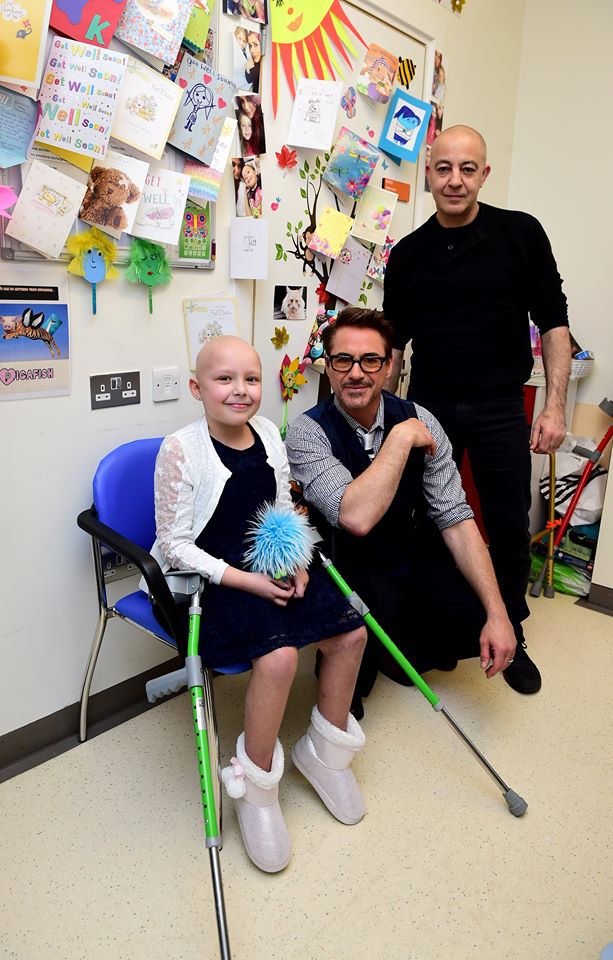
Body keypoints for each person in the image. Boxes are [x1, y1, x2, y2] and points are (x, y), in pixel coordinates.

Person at [147, 336, 367, 874]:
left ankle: (325, 752)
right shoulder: (180, 449)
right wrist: (247, 582)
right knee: (280, 658)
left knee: (351, 633)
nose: (240, 390)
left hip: (269, 557)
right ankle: (256, 783)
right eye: (224, 379)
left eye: (250, 378)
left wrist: (295, 555)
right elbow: (174, 544)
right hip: (211, 579)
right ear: (198, 388)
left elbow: (282, 502)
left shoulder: (270, 432)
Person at [383, 124, 571, 695]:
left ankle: (508, 630)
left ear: (484, 175)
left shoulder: (521, 234)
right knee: (423, 523)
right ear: (429, 174)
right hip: (430, 407)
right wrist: (383, 420)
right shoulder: (408, 254)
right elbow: (393, 347)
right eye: (444, 169)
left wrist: (555, 407)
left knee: (508, 525)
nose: (455, 180)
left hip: (498, 405)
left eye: (468, 169)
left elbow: (555, 323)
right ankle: (431, 634)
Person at [286, 308, 517, 719]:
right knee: (349, 696)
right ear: (329, 365)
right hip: (344, 567)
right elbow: (355, 517)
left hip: (402, 553)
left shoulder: (422, 417)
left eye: (370, 360)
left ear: (389, 365)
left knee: (477, 612)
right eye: (343, 360)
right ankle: (344, 657)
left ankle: (399, 645)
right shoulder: (308, 431)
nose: (356, 373)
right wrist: (400, 437)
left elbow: (457, 518)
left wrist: (500, 617)